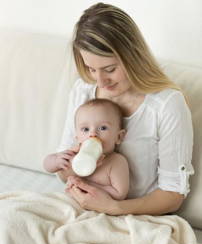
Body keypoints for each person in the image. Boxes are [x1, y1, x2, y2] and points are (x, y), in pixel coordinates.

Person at [56, 2, 194, 216]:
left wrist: (113, 207)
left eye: (109, 69)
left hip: (137, 216)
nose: (101, 81)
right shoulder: (83, 91)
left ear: (132, 56)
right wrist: (74, 163)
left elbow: (173, 195)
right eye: (91, 69)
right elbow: (63, 169)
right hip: (81, 208)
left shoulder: (166, 105)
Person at [43, 98, 130, 200]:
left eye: (103, 128)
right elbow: (46, 166)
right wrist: (56, 160)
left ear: (119, 137)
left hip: (101, 209)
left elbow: (119, 194)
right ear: (77, 138)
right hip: (71, 203)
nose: (92, 134)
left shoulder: (116, 162)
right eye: (86, 129)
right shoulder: (75, 155)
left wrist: (85, 184)